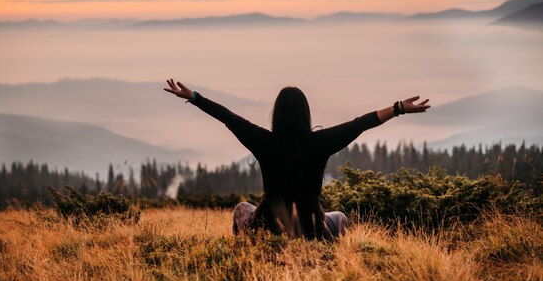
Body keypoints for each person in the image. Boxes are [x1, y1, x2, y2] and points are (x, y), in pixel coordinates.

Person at [163, 78, 430, 240]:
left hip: (265, 226)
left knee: (241, 208)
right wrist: (398, 109)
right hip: (313, 227)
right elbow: (361, 123)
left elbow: (227, 117)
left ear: (276, 113)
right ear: (306, 113)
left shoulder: (262, 140)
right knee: (340, 218)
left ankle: (244, 254)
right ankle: (330, 259)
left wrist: (194, 97)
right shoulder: (320, 142)